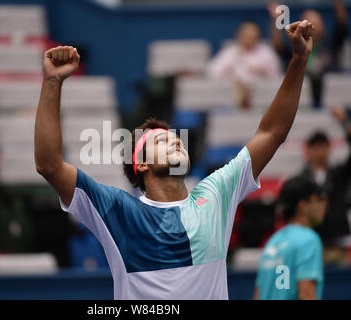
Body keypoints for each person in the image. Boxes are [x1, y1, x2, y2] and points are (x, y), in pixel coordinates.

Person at [34, 20, 315, 299]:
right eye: (160, 140)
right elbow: (49, 164)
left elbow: (272, 132)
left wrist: (299, 59)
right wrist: (51, 82)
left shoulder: (216, 195)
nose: (175, 140)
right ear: (140, 164)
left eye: (175, 138)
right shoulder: (117, 210)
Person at [254, 175, 326, 300]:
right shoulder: (309, 240)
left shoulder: (272, 242)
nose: (324, 205)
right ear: (302, 205)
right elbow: (306, 294)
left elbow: (258, 295)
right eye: (319, 198)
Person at [298, 106, 351, 252]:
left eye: (323, 146)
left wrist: (345, 121)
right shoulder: (302, 179)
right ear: (309, 150)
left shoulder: (339, 174)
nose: (319, 151)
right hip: (311, 242)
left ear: (329, 148)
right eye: (315, 147)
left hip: (337, 241)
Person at [268, 0, 349, 107]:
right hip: (300, 97)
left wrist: (337, 3)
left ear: (323, 26)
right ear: (300, 27)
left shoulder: (331, 44)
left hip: (332, 98)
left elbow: (342, 24)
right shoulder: (296, 48)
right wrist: (276, 19)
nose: (312, 26)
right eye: (308, 23)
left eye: (316, 23)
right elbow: (278, 46)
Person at [207, 21, 281, 109]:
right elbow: (212, 73)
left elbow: (276, 76)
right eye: (246, 35)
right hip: (231, 99)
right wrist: (231, 64)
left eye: (252, 36)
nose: (249, 38)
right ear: (239, 35)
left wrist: (261, 71)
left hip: (261, 99)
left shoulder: (266, 52)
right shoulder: (229, 52)